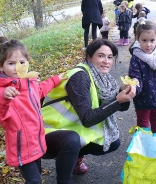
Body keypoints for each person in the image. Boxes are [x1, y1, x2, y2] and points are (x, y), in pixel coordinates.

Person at [41, 39, 136, 180]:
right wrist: (117, 100)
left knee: (112, 142)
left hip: (68, 128)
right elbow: (88, 119)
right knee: (71, 140)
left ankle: (74, 157)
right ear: (89, 57)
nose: (106, 61)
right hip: (44, 132)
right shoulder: (80, 77)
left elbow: (119, 108)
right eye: (101, 56)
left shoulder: (103, 79)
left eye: (110, 57)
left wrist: (123, 93)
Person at [0, 36, 67, 183]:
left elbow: (40, 89)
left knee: (37, 174)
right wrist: (4, 98)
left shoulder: (29, 84)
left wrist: (55, 80)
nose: (18, 67)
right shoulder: (2, 91)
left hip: (37, 141)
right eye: (11, 63)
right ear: (0, 66)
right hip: (22, 147)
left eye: (22, 62)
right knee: (34, 181)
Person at [128, 20, 156, 133]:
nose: (148, 44)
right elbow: (135, 76)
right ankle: (143, 148)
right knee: (143, 125)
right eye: (144, 40)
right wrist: (134, 88)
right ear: (137, 39)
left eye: (152, 40)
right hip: (143, 98)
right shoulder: (137, 58)